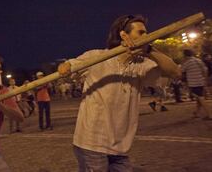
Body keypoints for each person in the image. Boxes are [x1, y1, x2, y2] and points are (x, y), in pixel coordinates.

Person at [58, 14, 180, 172]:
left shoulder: (141, 65)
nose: (147, 36)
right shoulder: (96, 57)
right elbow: (70, 65)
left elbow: (175, 72)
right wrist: (65, 66)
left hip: (121, 146)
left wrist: (148, 49)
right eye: (141, 33)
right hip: (92, 143)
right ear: (123, 34)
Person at [181, 49, 211, 119]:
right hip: (201, 81)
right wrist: (205, 80)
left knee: (200, 98)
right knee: (199, 98)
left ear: (185, 55)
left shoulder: (187, 63)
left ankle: (210, 114)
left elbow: (182, 72)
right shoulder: (198, 60)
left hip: (194, 83)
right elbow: (205, 70)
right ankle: (196, 113)